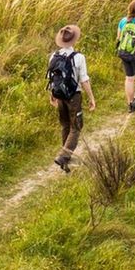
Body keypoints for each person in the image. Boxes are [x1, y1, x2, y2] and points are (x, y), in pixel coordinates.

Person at [47, 24, 95, 172]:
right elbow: (84, 80)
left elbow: (51, 78)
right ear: (74, 41)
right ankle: (63, 156)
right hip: (74, 96)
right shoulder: (79, 57)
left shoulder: (53, 56)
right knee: (76, 127)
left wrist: (52, 95)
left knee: (65, 125)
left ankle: (65, 158)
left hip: (60, 96)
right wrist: (91, 98)